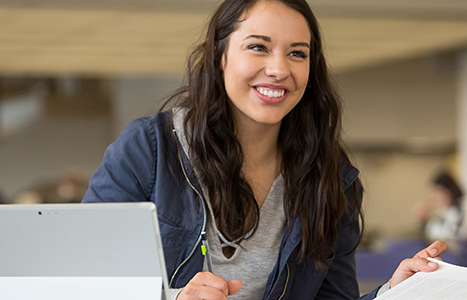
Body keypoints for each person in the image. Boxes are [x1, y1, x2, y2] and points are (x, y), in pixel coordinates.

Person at [82, 0, 447, 299]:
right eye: (258, 47)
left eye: (297, 54)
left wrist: (392, 294)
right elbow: (81, 280)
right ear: (219, 54)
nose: (278, 69)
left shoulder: (330, 176)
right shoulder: (151, 149)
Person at [416, 171, 467, 244]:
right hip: (459, 253)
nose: (436, 200)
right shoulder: (445, 211)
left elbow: (463, 234)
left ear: (449, 191)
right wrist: (425, 221)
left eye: (438, 195)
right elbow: (433, 235)